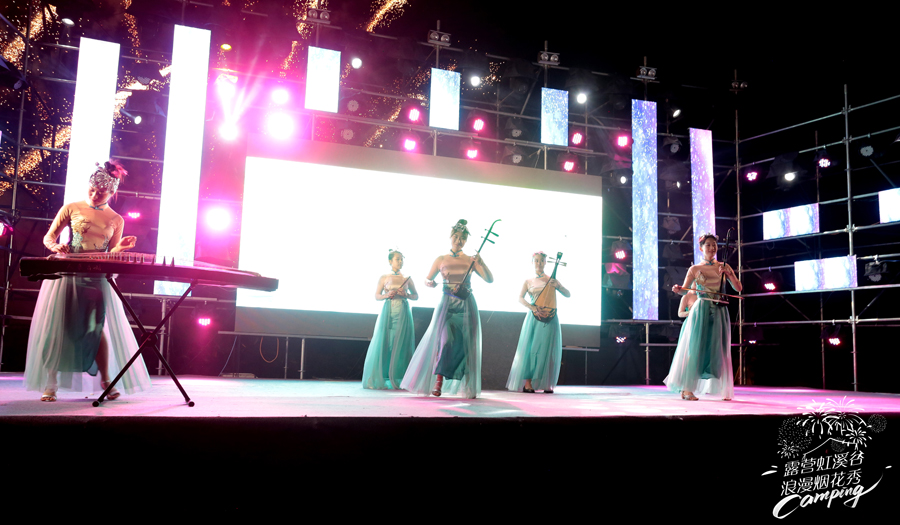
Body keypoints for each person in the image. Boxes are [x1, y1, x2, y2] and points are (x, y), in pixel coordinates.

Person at [24, 160, 152, 401]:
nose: (94, 195)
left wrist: (121, 247)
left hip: (96, 278)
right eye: (92, 190)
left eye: (101, 192)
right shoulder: (71, 208)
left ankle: (106, 380)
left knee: (96, 327)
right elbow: (49, 238)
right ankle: (51, 382)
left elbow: (110, 254)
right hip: (67, 273)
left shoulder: (116, 219)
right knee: (59, 325)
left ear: (111, 193)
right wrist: (56, 247)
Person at [400, 220, 493, 399]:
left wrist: (481, 262)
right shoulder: (441, 259)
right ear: (450, 237)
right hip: (447, 305)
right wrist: (431, 283)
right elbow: (427, 279)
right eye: (456, 237)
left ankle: (467, 385)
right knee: (445, 341)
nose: (459, 240)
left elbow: (489, 279)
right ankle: (438, 381)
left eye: (462, 238)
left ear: (466, 240)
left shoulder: (471, 260)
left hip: (466, 305)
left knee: (467, 345)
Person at [664, 233, 742, 401]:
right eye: (708, 245)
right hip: (701, 309)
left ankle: (723, 389)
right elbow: (685, 290)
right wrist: (677, 289)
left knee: (719, 348)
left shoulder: (724, 266)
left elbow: (738, 288)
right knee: (696, 347)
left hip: (719, 309)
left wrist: (729, 275)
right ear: (701, 248)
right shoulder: (694, 269)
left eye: (714, 245)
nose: (712, 248)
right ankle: (687, 389)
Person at [507, 251, 570, 394]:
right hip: (534, 318)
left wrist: (559, 286)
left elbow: (568, 294)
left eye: (542, 260)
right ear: (532, 262)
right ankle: (528, 383)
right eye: (536, 260)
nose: (539, 263)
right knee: (532, 349)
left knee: (547, 349)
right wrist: (532, 307)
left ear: (545, 262)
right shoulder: (528, 281)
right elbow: (520, 298)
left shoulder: (552, 280)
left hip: (550, 318)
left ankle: (546, 383)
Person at [361, 249, 419, 389]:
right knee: (386, 342)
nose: (400, 261)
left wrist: (405, 295)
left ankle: (399, 378)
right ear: (390, 261)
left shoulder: (407, 278)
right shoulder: (384, 277)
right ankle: (384, 376)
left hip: (403, 313)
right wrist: (386, 295)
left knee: (402, 344)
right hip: (389, 312)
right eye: (397, 259)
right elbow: (377, 295)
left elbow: (416, 296)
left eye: (401, 259)